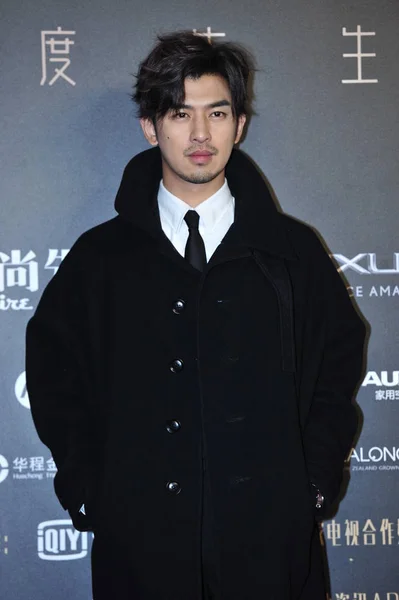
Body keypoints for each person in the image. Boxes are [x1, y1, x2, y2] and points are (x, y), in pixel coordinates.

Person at [25, 30, 366, 600]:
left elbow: (337, 367)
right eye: (180, 114)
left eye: (218, 112)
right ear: (150, 126)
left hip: (271, 551)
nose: (201, 134)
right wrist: (87, 487)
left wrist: (313, 482)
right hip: (140, 548)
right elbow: (55, 377)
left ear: (240, 124)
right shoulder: (100, 258)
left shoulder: (291, 251)